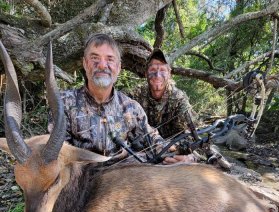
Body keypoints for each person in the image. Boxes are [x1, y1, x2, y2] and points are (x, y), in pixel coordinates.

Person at [48, 34, 190, 164]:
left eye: (110, 59)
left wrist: (178, 154)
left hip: (123, 184)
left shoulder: (131, 108)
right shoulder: (63, 103)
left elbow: (154, 142)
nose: (103, 65)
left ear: (119, 67)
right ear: (85, 64)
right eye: (95, 58)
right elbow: (57, 156)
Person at [130, 48, 231, 169]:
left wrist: (190, 157)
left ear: (169, 73)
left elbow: (193, 134)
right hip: (145, 150)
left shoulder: (179, 98)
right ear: (146, 73)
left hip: (173, 152)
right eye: (152, 70)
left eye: (162, 70)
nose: (157, 75)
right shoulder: (136, 94)